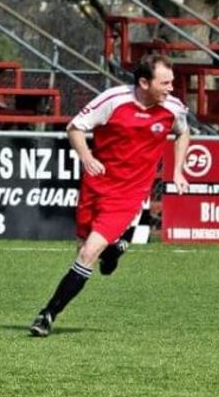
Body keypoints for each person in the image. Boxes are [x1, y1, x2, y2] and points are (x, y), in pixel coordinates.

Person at [28, 54, 190, 337]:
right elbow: (75, 128)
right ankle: (115, 249)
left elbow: (184, 133)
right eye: (165, 83)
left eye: (171, 82)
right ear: (143, 82)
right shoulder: (114, 101)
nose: (171, 88)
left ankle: (47, 314)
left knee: (88, 253)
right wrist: (87, 157)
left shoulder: (173, 109)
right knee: (82, 248)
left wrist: (178, 170)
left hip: (128, 194)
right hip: (97, 186)